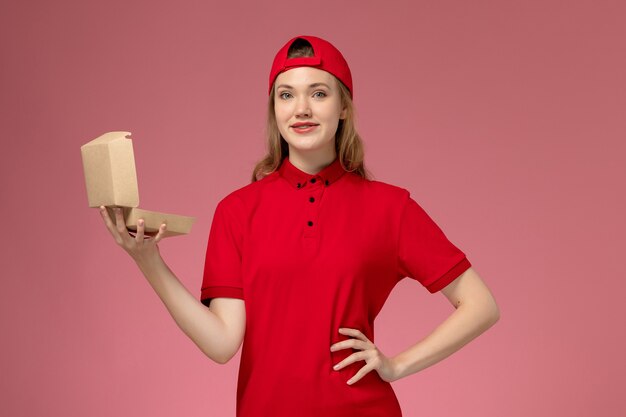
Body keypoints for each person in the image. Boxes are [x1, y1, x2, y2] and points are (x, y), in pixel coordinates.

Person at [99, 35, 500, 417]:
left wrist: (397, 365)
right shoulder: (237, 211)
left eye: (319, 93)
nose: (301, 109)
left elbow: (481, 305)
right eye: (286, 94)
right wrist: (148, 261)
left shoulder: (390, 207)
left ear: (344, 107)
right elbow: (221, 344)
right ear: (274, 108)